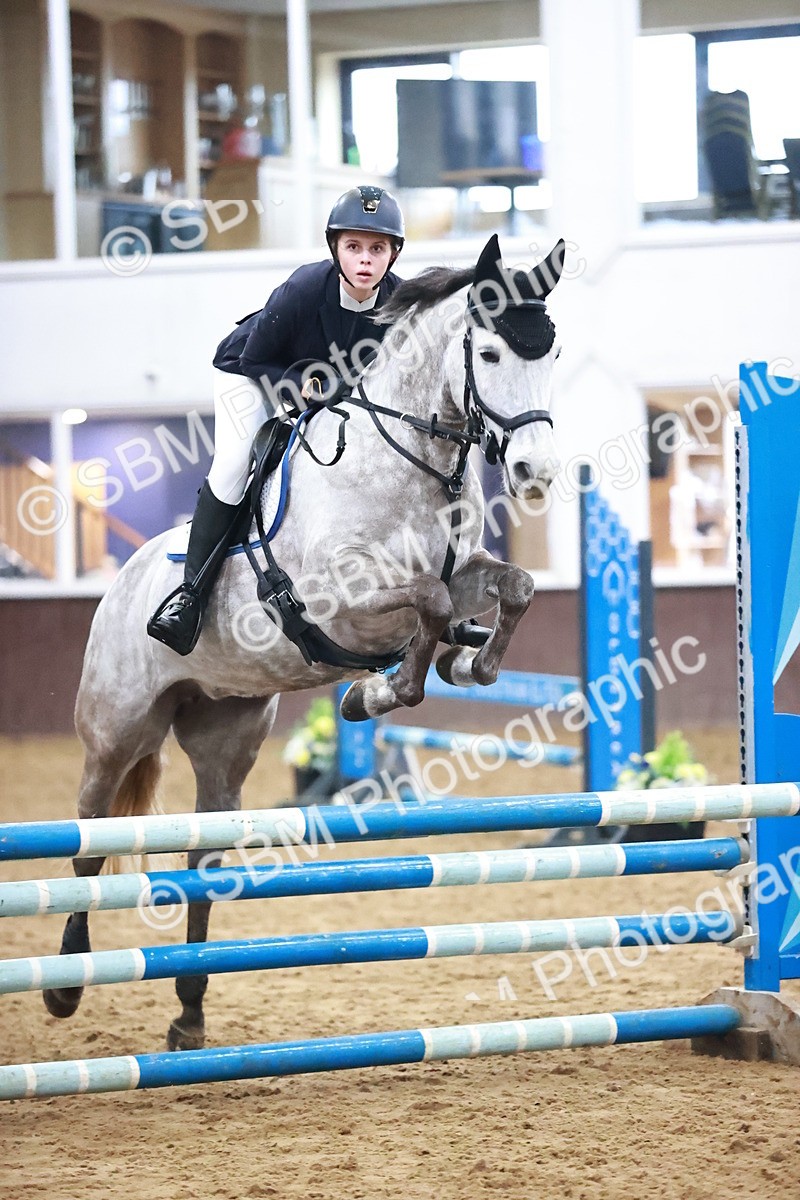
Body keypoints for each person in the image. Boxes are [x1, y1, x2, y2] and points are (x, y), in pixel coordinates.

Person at [147, 184, 405, 656]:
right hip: (248, 373)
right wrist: (296, 386)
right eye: (353, 247)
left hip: (325, 393)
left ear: (392, 254)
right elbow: (254, 358)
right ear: (335, 249)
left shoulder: (398, 304)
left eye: (376, 248)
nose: (365, 260)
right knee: (233, 462)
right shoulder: (305, 288)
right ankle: (189, 598)